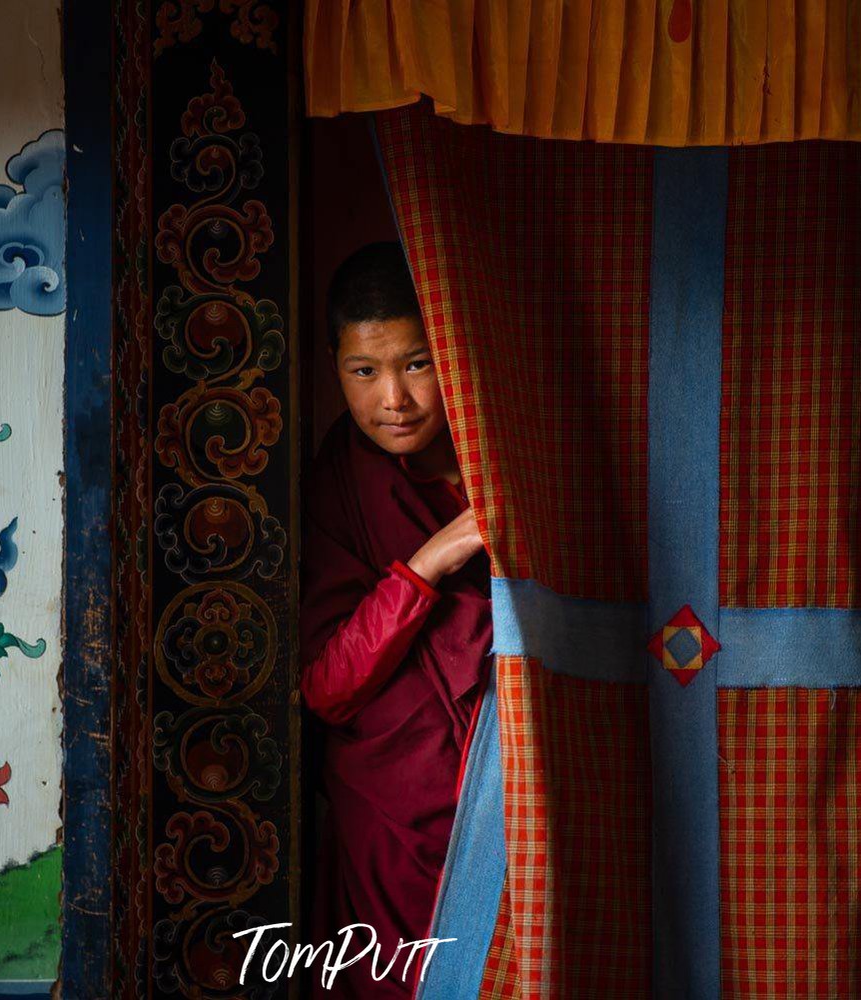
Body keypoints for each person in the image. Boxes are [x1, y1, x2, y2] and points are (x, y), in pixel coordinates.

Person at [302, 242, 492, 997]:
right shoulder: (342, 483)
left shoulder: (518, 462)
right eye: (363, 371)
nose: (394, 400)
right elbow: (325, 687)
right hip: (392, 811)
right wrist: (431, 559)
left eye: (417, 365)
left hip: (514, 789)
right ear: (332, 366)